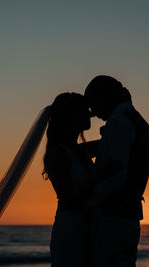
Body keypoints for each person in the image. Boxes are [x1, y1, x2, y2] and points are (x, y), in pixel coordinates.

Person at [84, 75, 149, 266]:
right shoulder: (137, 121)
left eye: (94, 105)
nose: (94, 113)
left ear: (105, 98)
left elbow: (116, 171)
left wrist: (87, 196)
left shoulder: (118, 122)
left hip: (112, 219)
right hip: (128, 218)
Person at [43, 92, 120, 267]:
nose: (91, 113)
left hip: (87, 226)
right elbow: (68, 198)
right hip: (70, 227)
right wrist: (100, 175)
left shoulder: (79, 150)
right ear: (71, 116)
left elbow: (108, 144)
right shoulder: (58, 153)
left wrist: (111, 131)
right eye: (85, 110)